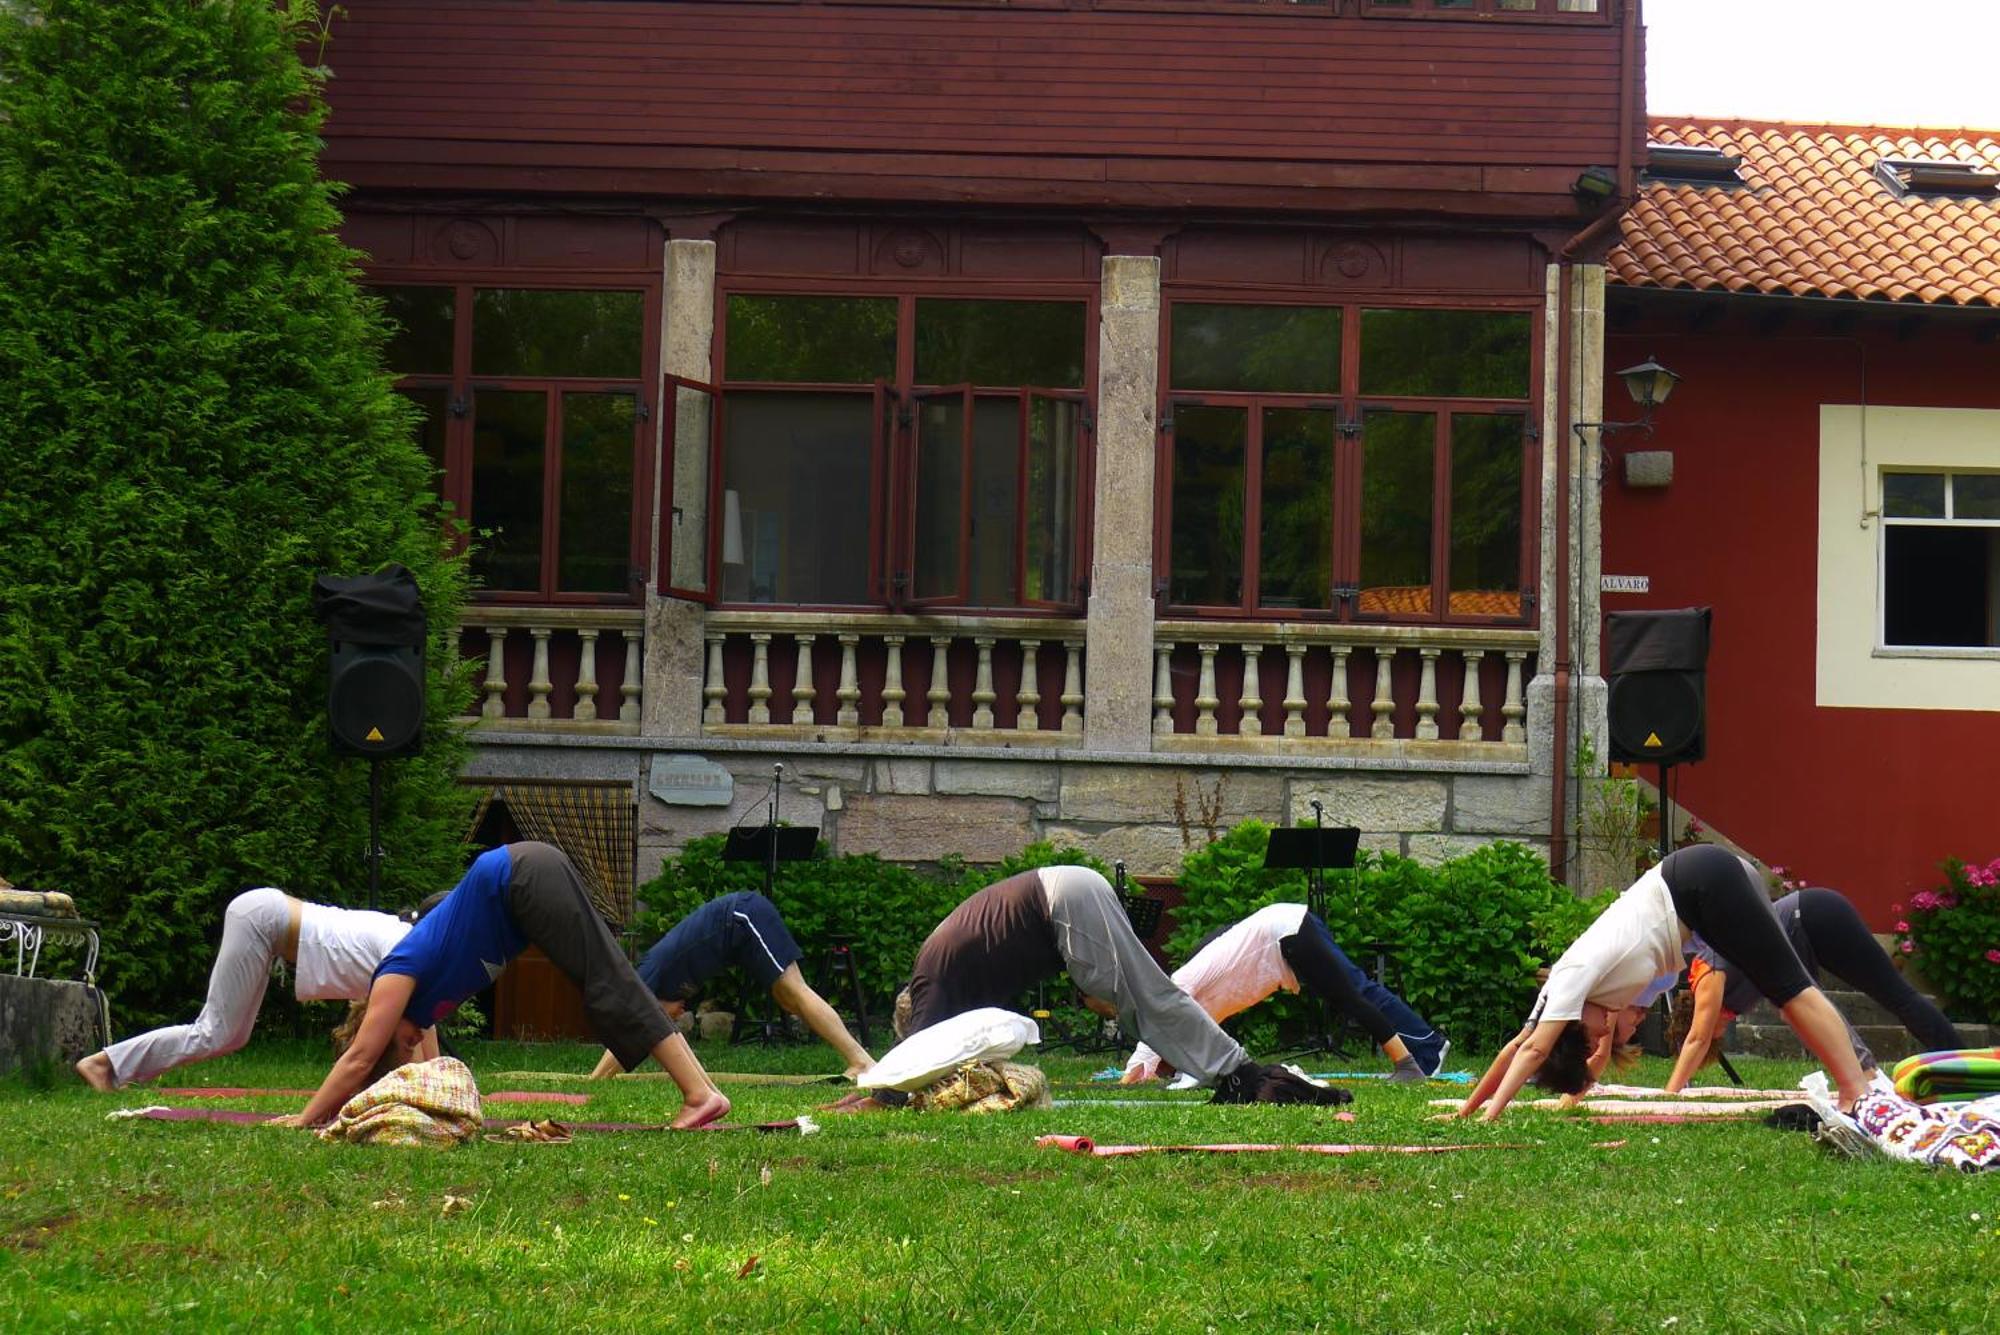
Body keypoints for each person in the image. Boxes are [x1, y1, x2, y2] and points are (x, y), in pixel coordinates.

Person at [279, 842, 729, 1130]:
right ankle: (705, 1092)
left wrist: (306, 1118)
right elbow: (434, 1079)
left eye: (399, 1046)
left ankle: (698, 1094)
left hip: (523, 878)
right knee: (609, 981)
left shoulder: (395, 975)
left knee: (609, 983)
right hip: (524, 885)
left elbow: (359, 1058)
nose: (413, 1046)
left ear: (383, 1026)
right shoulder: (420, 1011)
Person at [1459, 844, 1872, 1122]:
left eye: (1588, 1038)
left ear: (1569, 1024)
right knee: (1785, 991)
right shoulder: (1564, 995)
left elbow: (1533, 1050)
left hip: (1698, 883)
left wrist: (1490, 1117)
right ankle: (1856, 1090)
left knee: (1789, 988)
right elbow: (1514, 1047)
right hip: (1694, 894)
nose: (1603, 1034)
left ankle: (1857, 1092)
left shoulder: (1571, 980)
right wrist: (1466, 1111)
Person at [900, 865, 1348, 1104]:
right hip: (1064, 897)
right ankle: (1235, 1071)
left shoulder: (930, 986)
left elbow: (912, 1062)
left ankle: (1245, 1076)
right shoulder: (954, 971)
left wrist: (878, 1095)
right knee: (1141, 999)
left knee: (1149, 998)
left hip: (1063, 901)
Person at [74, 888, 432, 1091]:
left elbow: (419, 1041)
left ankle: (117, 1069)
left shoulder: (401, 940)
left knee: (229, 1037)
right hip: (262, 919)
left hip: (266, 920)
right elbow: (425, 1049)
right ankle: (103, 1064)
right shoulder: (403, 947)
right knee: (214, 1033)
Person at [1664, 884, 1961, 1093]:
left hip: (1812, 914)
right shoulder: (1734, 997)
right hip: (1809, 931)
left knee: (1897, 996)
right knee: (1810, 1009)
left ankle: (1965, 1067)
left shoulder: (1705, 973)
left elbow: (1696, 1038)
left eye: (1712, 1033)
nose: (1717, 1035)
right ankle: (1945, 1071)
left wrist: (1670, 1095)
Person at [1119, 903, 1448, 1084]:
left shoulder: (1176, 988)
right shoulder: (1191, 1011)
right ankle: (1427, 1045)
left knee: (1350, 997)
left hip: (1286, 935)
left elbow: (1153, 1029)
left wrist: (1135, 1072)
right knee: (1359, 990)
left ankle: (1408, 1065)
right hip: (1288, 933)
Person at [587, 890, 874, 1080]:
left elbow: (630, 1035)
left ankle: (861, 1061)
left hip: (743, 916)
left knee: (795, 991)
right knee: (788, 1000)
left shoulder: (648, 978)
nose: (678, 1014)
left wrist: (596, 1081)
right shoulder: (660, 981)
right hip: (740, 931)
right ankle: (859, 1059)